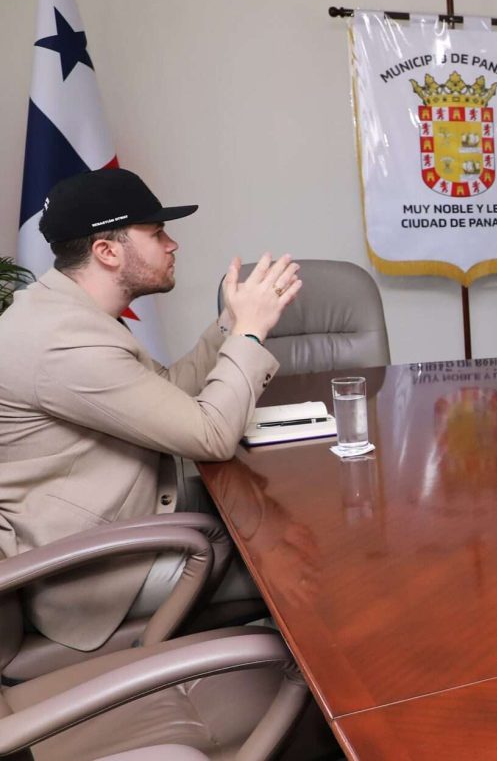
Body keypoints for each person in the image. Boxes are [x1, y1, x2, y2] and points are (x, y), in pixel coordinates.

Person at [0, 168, 301, 651]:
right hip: (90, 576)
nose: (172, 244)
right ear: (107, 250)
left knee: (285, 515)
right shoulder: (63, 342)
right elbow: (212, 435)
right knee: (296, 562)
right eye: (157, 232)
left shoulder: (68, 314)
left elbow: (170, 392)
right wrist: (249, 333)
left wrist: (228, 322)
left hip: (118, 523)